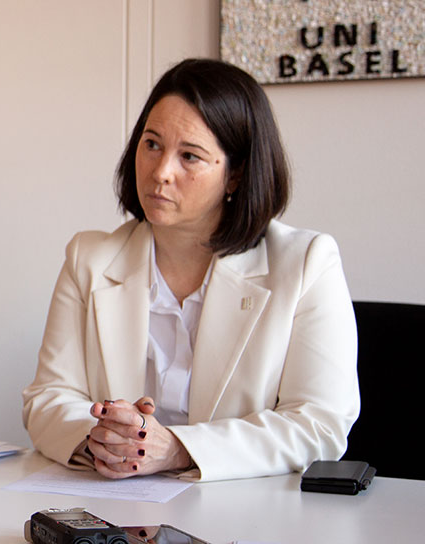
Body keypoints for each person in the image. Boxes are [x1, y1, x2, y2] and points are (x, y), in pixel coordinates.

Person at [21, 58, 359, 482]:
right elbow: (48, 397)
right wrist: (106, 441)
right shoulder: (88, 258)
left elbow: (320, 423)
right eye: (152, 144)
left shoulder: (307, 263)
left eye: (190, 156)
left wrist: (178, 450)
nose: (161, 172)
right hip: (113, 504)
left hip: (245, 514)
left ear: (235, 175)